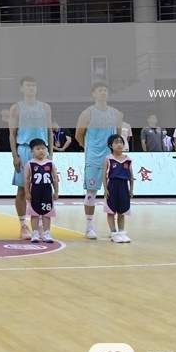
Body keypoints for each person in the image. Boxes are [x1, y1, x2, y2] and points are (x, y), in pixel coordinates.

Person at [75, 82, 123, 240]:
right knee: (91, 193)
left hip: (111, 160)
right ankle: (89, 227)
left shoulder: (116, 114)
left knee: (112, 193)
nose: (103, 92)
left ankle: (113, 229)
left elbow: (117, 136)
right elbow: (78, 135)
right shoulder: (87, 113)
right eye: (100, 90)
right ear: (93, 94)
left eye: (105, 90)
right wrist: (90, 148)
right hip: (94, 159)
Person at [9, 76, 52, 240]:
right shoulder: (16, 108)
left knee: (42, 189)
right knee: (22, 189)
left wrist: (51, 154)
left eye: (33, 85)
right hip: (25, 149)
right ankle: (23, 225)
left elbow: (49, 132)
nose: (31, 88)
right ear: (22, 88)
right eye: (28, 85)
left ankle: (39, 224)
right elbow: (12, 134)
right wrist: (15, 155)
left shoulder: (45, 107)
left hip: (42, 150)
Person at [23, 138, 58, 243]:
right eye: (38, 149)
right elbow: (26, 179)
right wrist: (27, 192)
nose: (41, 151)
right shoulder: (30, 164)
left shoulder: (50, 163)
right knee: (34, 213)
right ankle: (35, 233)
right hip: (35, 191)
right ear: (32, 151)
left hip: (47, 191)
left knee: (47, 213)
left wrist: (56, 191)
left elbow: (55, 178)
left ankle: (47, 233)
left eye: (43, 148)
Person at [103, 134, 133, 243]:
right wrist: (105, 189)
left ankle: (121, 232)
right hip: (112, 186)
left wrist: (131, 190)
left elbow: (131, 176)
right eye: (116, 142)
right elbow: (104, 175)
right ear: (111, 145)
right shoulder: (108, 158)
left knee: (122, 211)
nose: (119, 144)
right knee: (111, 211)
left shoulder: (127, 159)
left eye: (121, 142)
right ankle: (113, 233)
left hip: (124, 186)